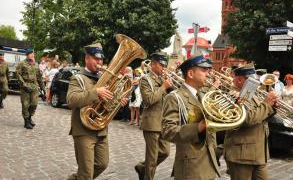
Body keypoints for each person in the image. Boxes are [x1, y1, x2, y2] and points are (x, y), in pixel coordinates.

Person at [66, 42, 127, 180]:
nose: (99, 62)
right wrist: (95, 92)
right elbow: (71, 100)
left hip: (100, 130)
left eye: (101, 59)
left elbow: (107, 105)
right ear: (87, 58)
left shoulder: (104, 78)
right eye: (96, 58)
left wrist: (117, 101)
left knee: (102, 164)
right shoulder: (78, 78)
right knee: (87, 173)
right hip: (83, 130)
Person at [162, 55, 221, 180]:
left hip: (209, 162)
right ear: (190, 73)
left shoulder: (204, 95)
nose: (208, 74)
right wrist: (198, 127)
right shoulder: (175, 97)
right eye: (204, 70)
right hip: (191, 168)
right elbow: (168, 131)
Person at [224, 63, 278, 180]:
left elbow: (261, 116)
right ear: (239, 80)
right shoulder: (233, 95)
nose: (256, 82)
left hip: (258, 152)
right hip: (242, 155)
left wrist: (272, 108)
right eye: (250, 79)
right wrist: (266, 105)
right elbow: (247, 119)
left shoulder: (252, 93)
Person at [135, 52, 172, 180]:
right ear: (154, 64)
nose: (164, 68)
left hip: (163, 122)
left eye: (164, 65)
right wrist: (163, 87)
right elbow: (148, 100)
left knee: (165, 152)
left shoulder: (163, 79)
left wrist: (170, 89)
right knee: (151, 158)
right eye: (161, 65)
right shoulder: (146, 79)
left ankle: (141, 167)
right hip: (151, 123)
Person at [16, 48, 45, 129]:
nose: (33, 55)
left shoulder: (36, 64)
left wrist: (43, 89)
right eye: (31, 53)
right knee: (25, 104)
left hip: (34, 86)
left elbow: (39, 77)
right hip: (25, 86)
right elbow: (18, 75)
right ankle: (26, 121)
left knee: (34, 104)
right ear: (27, 55)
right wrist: (24, 85)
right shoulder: (22, 63)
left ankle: (29, 117)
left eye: (33, 54)